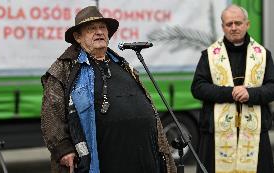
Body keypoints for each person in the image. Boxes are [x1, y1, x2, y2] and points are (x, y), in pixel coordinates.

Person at [40, 6, 176, 173]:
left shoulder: (122, 64)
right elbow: (51, 113)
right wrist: (63, 148)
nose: (99, 32)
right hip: (101, 162)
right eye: (91, 29)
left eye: (102, 27)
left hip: (142, 158)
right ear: (78, 37)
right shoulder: (64, 69)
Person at [191, 4, 274, 173]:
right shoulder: (209, 55)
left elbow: (273, 87)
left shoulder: (263, 54)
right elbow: (198, 88)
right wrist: (230, 93)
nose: (234, 28)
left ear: (247, 24)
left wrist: (250, 93)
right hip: (217, 133)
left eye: (238, 23)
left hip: (255, 132)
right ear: (223, 27)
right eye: (229, 24)